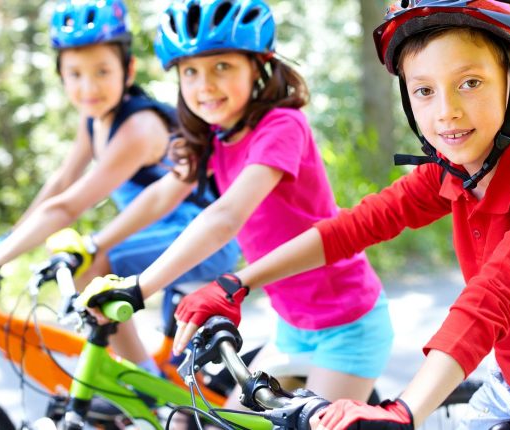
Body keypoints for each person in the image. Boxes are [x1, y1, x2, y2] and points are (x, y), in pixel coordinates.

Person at [163, 1, 510, 429]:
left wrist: (403, 410)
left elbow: (493, 297)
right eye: (424, 90)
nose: (446, 112)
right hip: (509, 389)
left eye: (470, 82)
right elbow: (351, 228)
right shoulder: (453, 171)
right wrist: (237, 282)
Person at [73, 0, 394, 405]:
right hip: (292, 325)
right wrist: (95, 245)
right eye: (190, 71)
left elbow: (226, 216)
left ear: (258, 65)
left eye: (221, 67)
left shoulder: (282, 125)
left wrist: (142, 286)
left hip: (347, 326)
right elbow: (161, 195)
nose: (204, 85)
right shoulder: (216, 135)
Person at [0, 0, 239, 377]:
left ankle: (138, 381)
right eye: (75, 74)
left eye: (103, 71)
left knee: (96, 263)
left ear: (128, 69)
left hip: (202, 239)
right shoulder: (94, 119)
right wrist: (4, 241)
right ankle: (140, 380)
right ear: (61, 75)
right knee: (178, 372)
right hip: (159, 236)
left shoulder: (136, 127)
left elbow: (69, 206)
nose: (89, 87)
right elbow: (61, 183)